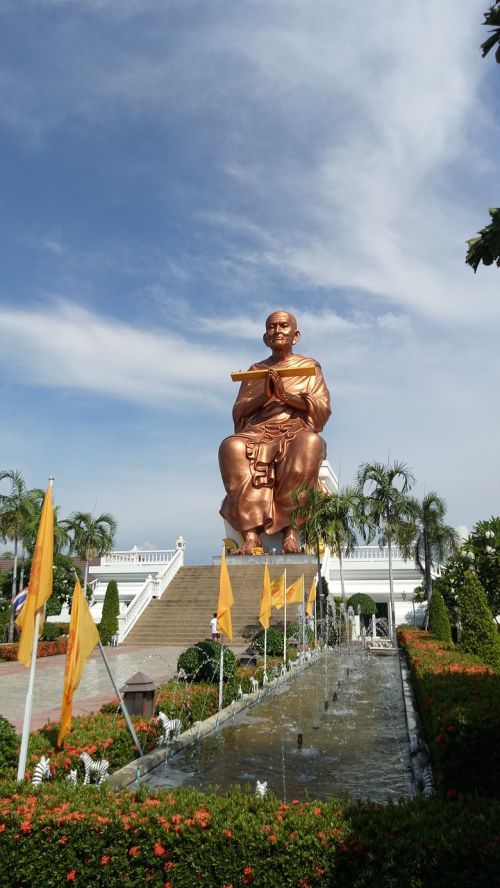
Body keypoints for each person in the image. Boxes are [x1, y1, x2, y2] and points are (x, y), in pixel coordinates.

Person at [219, 310, 331, 555]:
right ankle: (251, 535)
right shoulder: (255, 371)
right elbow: (239, 411)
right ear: (265, 337)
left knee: (309, 444)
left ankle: (291, 532)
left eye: (283, 326)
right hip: (258, 430)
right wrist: (265, 396)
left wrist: (286, 397)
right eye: (272, 327)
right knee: (231, 447)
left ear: (296, 334)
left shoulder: (309, 367)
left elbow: (322, 408)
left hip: (295, 428)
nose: (277, 331)